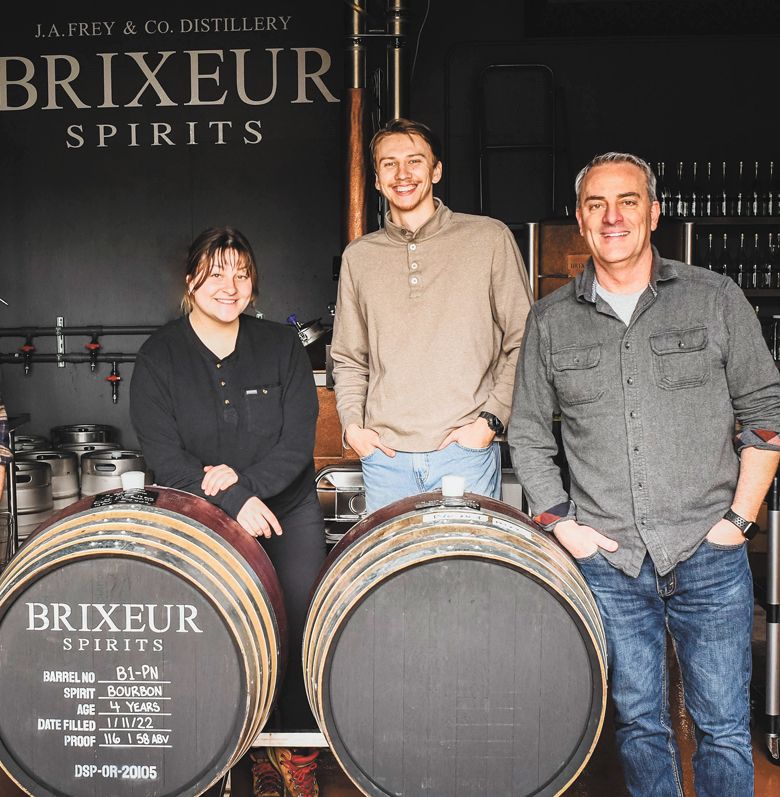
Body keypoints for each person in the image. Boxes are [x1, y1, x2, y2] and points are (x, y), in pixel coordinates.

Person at [508, 151, 780, 796]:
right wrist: (560, 524)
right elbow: (526, 432)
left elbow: (766, 414)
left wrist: (739, 521)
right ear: (579, 219)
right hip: (610, 560)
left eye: (628, 201)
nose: (613, 217)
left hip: (707, 551)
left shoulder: (714, 299)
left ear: (653, 213)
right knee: (638, 723)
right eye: (597, 204)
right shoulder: (550, 320)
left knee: (721, 725)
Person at [130, 227, 325, 797]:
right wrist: (235, 500)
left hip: (286, 515)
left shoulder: (281, 346)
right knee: (215, 633)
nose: (229, 285)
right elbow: (163, 455)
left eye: (240, 273)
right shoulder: (160, 354)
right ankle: (223, 747)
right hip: (200, 517)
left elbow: (297, 442)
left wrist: (252, 489)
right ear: (191, 281)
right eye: (216, 272)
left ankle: (290, 754)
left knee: (295, 628)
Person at [331, 118, 533, 513]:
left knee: (470, 571)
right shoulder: (360, 256)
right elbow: (350, 358)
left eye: (415, 161)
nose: (402, 174)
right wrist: (353, 428)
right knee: (392, 573)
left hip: (465, 454)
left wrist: (489, 422)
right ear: (376, 179)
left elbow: (524, 339)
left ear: (436, 170)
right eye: (389, 164)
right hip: (385, 460)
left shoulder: (488, 238)